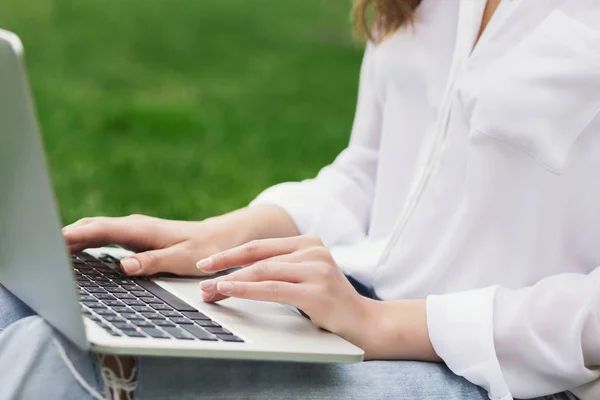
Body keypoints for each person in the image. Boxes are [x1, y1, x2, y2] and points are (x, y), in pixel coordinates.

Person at [2, 0, 600, 399]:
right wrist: (220, 236)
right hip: (350, 309)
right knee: (21, 300)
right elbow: (371, 171)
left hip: (501, 375)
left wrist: (385, 324)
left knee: (56, 359)